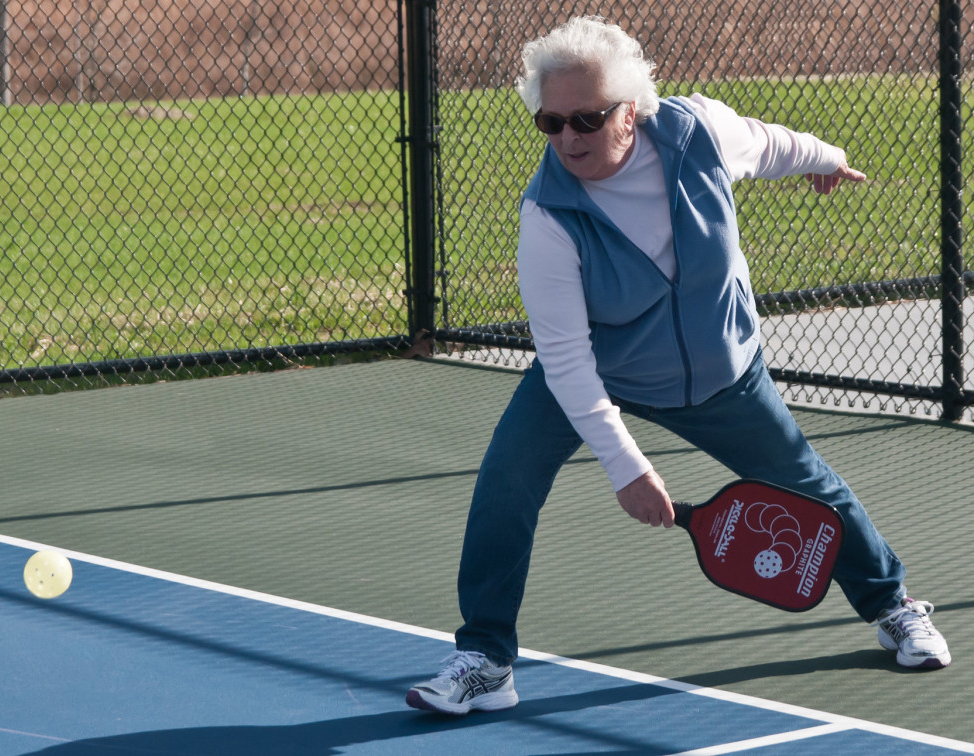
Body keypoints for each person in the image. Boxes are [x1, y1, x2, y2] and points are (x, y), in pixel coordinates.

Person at [406, 16, 950, 716]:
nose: (568, 137)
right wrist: (627, 468)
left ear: (630, 111)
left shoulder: (697, 135)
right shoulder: (547, 216)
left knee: (806, 486)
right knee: (505, 482)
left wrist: (824, 155)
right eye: (549, 122)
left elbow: (770, 142)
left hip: (721, 375)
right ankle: (485, 660)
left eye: (587, 118)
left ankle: (891, 605)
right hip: (598, 371)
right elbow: (567, 359)